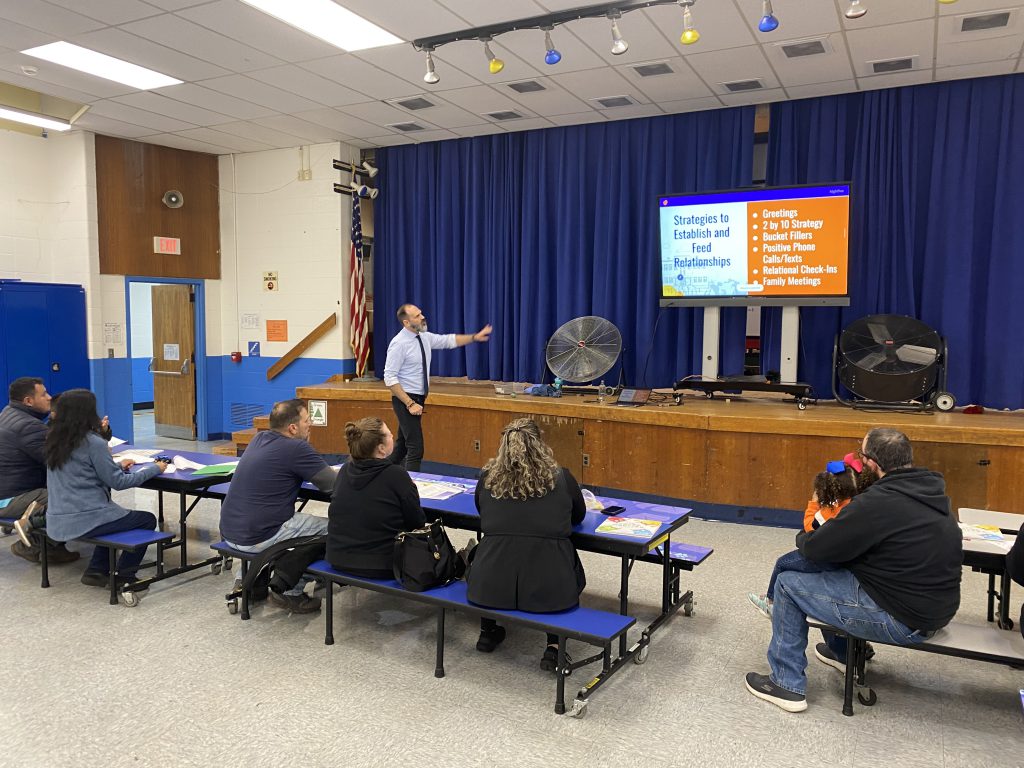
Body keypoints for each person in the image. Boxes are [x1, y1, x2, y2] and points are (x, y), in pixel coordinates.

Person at [745, 428, 962, 713]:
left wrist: (805, 533)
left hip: (905, 619)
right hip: (935, 610)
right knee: (835, 576)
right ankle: (841, 653)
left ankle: (786, 684)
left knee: (788, 583)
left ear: (872, 464)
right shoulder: (931, 493)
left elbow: (817, 547)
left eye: (861, 454)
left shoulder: (878, 502)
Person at [466, 418, 587, 671]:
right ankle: (553, 647)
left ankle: (488, 631)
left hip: (490, 583)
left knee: (486, 550)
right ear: (540, 445)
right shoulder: (561, 478)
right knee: (563, 558)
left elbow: (482, 512)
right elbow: (578, 516)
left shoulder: (487, 478)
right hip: (551, 586)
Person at [219, 398, 338, 613]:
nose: (310, 425)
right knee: (338, 529)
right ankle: (290, 591)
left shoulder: (259, 438)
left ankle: (246, 577)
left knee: (299, 526)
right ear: (293, 428)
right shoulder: (297, 447)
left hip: (230, 531)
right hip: (258, 536)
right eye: (306, 421)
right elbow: (335, 486)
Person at [43, 389, 168, 587]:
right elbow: (118, 483)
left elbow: (82, 471)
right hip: (85, 519)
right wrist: (155, 468)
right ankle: (125, 576)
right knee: (146, 519)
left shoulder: (54, 440)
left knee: (113, 517)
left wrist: (116, 466)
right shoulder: (93, 442)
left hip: (58, 518)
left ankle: (96, 570)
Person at [746, 453, 875, 618]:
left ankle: (771, 603)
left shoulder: (830, 511)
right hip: (847, 560)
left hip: (827, 559)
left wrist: (814, 503)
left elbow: (809, 526)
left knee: (782, 564)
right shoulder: (855, 503)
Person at [383, 303, 491, 471]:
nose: (423, 317)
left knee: (402, 446)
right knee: (415, 448)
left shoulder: (423, 336)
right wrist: (410, 403)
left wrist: (474, 337)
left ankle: (378, 474)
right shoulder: (399, 344)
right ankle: (412, 489)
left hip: (419, 397)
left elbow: (447, 340)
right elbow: (389, 378)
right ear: (406, 322)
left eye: (421, 313)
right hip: (406, 399)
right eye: (417, 316)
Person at [327, 417, 425, 578]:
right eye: (388, 434)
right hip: (383, 564)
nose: (393, 435)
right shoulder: (396, 475)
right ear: (381, 449)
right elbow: (417, 522)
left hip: (338, 558)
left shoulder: (344, 470)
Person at [0, 377, 78, 564]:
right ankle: (32, 545)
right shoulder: (28, 426)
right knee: (76, 497)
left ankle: (53, 547)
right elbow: (62, 463)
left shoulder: (7, 413)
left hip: (7, 491)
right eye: (43, 394)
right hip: (13, 498)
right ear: (28, 401)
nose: (50, 398)